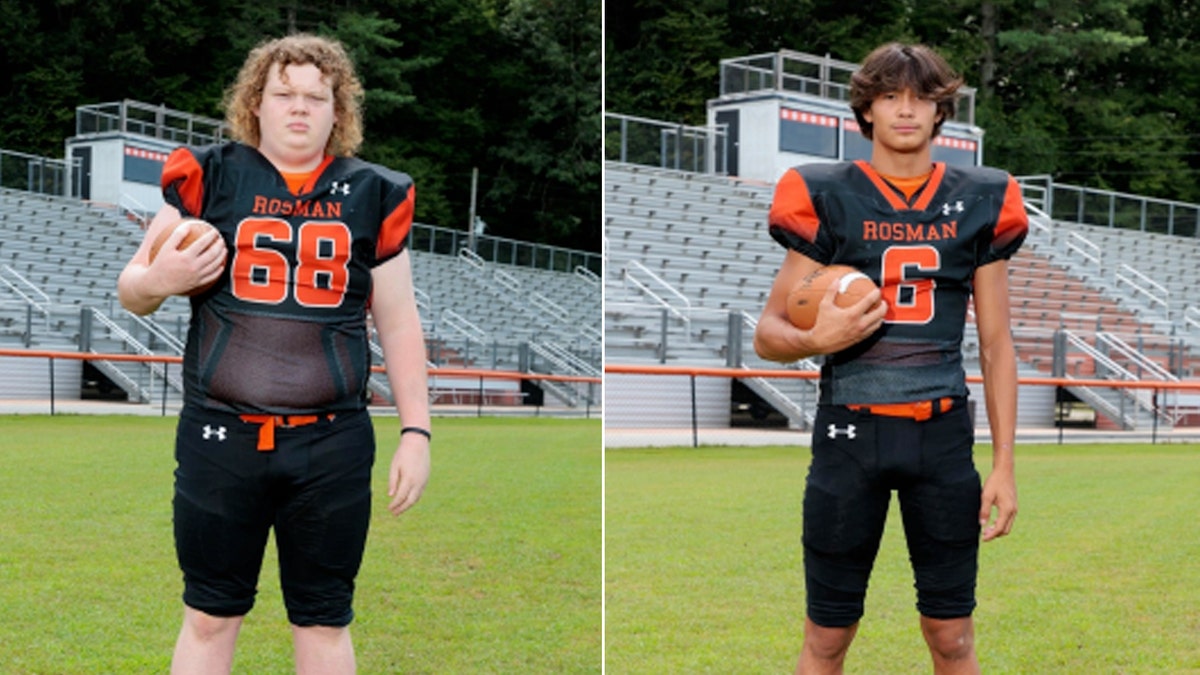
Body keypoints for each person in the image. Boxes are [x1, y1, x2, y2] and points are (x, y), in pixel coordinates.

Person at [117, 34, 431, 675]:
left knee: (323, 619)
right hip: (220, 435)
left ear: (338, 112)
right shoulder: (209, 176)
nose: (299, 108)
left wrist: (417, 431)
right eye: (283, 93)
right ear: (254, 103)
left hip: (332, 444)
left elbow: (398, 322)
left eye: (317, 97)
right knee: (208, 616)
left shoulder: (373, 193)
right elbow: (131, 290)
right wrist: (160, 281)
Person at [753, 42, 1026, 674]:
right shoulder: (823, 192)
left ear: (940, 113)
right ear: (867, 110)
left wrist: (1006, 465)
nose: (906, 110)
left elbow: (996, 343)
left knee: (951, 634)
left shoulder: (983, 197)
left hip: (943, 438)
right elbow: (768, 331)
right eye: (889, 95)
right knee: (826, 637)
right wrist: (816, 340)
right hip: (849, 433)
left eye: (921, 98)